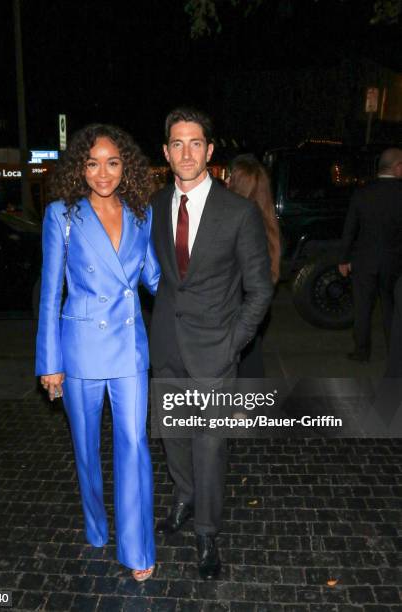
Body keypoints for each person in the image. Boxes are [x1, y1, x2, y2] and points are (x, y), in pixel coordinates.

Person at [150, 108, 273, 579]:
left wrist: (233, 344)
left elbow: (260, 290)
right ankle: (184, 496)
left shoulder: (238, 212)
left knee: (210, 446)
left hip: (215, 354)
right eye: (177, 144)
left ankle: (207, 530)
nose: (186, 152)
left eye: (195, 143)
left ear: (209, 150)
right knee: (173, 438)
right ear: (165, 152)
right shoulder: (158, 205)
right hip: (166, 346)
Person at [35, 124, 160, 581]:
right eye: (92, 163)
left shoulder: (141, 215)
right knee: (86, 448)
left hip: (128, 348)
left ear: (125, 166)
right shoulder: (61, 215)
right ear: (80, 168)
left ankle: (138, 547)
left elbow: (154, 279)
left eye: (112, 162)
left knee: (134, 444)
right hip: (81, 350)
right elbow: (51, 293)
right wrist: (50, 363)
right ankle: (95, 523)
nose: (102, 172)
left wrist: (199, 290)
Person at [339, 147, 402, 362]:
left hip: (364, 260)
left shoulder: (362, 192)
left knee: (362, 307)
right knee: (391, 308)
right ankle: (395, 353)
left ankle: (361, 351)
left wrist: (343, 259)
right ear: (397, 167)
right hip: (394, 261)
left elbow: (350, 228)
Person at [227, 155, 281, 377]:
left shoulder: (240, 222)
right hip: (255, 307)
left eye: (230, 176)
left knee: (243, 365)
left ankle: (242, 410)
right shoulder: (267, 220)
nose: (227, 180)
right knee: (251, 358)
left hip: (238, 307)